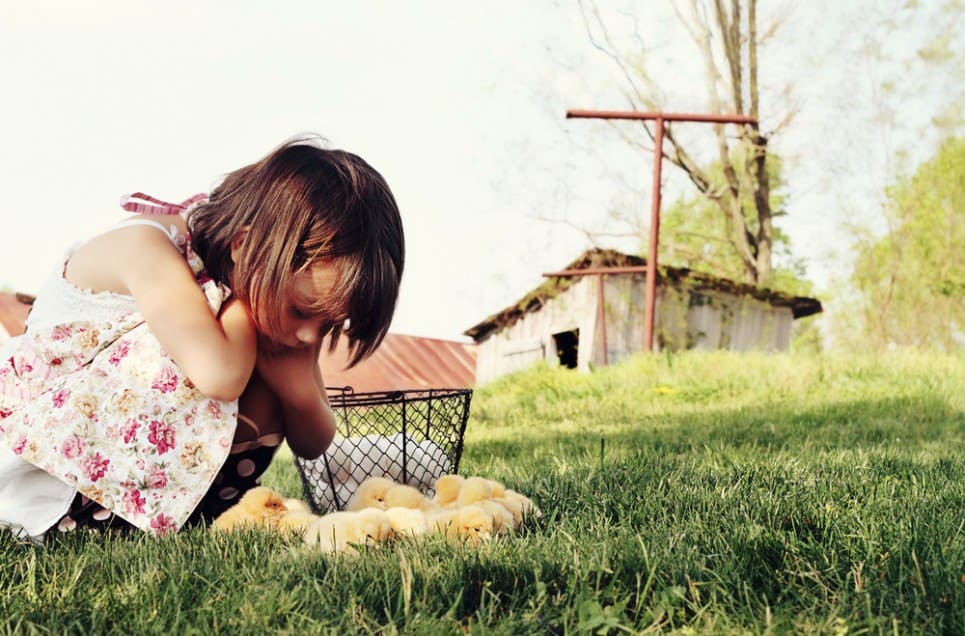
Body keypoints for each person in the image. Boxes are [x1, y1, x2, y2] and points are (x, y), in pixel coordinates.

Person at [0, 135, 405, 538]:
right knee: (236, 346)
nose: (307, 335)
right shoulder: (143, 246)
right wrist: (243, 314)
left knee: (262, 354)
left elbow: (315, 441)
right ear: (244, 246)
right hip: (52, 478)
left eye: (330, 324)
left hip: (139, 475)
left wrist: (296, 388)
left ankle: (199, 508)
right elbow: (219, 376)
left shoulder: (272, 289)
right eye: (302, 312)